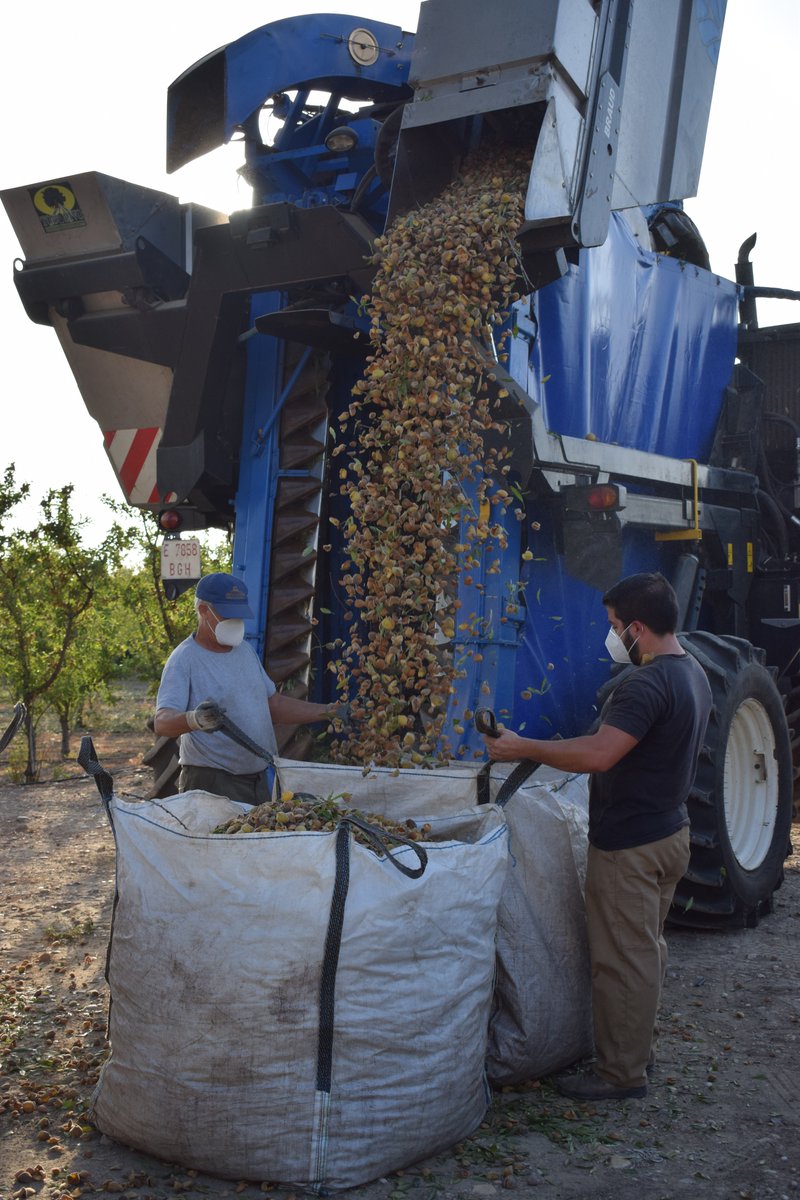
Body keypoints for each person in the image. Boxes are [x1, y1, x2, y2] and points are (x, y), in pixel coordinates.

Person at [481, 572, 712, 1101]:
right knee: (645, 952)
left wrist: (523, 747)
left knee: (620, 961)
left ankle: (621, 1075)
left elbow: (600, 754)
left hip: (630, 846)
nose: (610, 637)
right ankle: (636, 1050)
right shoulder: (693, 672)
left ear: (636, 628)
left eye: (613, 626)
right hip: (670, 833)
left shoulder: (646, 683)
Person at [154, 572, 340, 806]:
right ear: (203, 611)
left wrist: (330, 711)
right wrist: (194, 719)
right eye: (227, 615)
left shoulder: (244, 651)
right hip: (214, 783)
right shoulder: (185, 659)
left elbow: (274, 704)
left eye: (239, 614)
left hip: (258, 780)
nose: (235, 621)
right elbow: (162, 722)